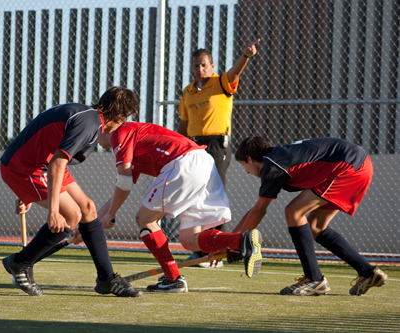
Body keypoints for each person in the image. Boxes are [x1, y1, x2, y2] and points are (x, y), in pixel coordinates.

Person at [0, 87, 142, 298]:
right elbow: (58, 162)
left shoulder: (89, 117)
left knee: (88, 209)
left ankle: (106, 279)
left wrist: (28, 193)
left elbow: (44, 142)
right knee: (71, 216)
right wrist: (53, 211)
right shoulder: (90, 124)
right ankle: (20, 263)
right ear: (120, 117)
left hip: (41, 162)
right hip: (26, 167)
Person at [97, 122, 262, 293]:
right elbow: (122, 190)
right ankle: (240, 241)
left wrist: (110, 214)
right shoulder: (135, 138)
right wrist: (91, 225)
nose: (93, 138)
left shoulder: (120, 134)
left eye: (96, 130)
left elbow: (123, 184)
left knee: (144, 219)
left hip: (183, 162)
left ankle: (173, 278)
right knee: (189, 240)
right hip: (203, 161)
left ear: (105, 125)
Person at [233, 136, 388, 296]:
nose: (246, 171)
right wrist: (232, 237)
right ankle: (369, 273)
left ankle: (314, 279)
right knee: (316, 226)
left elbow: (259, 210)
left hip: (348, 167)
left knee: (294, 211)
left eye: (243, 165)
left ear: (249, 158)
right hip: (358, 165)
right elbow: (256, 209)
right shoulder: (278, 157)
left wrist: (235, 243)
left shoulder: (273, 165)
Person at [176, 40, 260, 265]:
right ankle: (201, 246)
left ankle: (217, 249)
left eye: (204, 65)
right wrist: (177, 147)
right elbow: (183, 125)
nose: (200, 70)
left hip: (216, 145)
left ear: (212, 66)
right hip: (194, 146)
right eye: (196, 66)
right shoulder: (188, 92)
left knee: (214, 193)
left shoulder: (220, 83)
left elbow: (235, 72)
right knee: (195, 193)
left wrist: (246, 55)